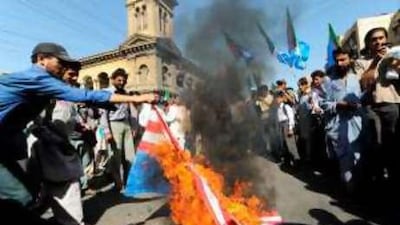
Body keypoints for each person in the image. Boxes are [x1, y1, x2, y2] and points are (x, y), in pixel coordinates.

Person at [0, 42, 156, 217]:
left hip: (11, 140)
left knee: (31, 191)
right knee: (19, 197)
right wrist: (138, 98)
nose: (64, 68)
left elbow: (84, 99)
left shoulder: (43, 82)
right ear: (41, 59)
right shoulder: (37, 78)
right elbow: (84, 95)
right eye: (60, 62)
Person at [321, 47, 364, 193]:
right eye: (337, 60)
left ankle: (361, 191)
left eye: (343, 59)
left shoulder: (356, 77)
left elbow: (362, 97)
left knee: (359, 157)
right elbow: (323, 104)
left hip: (357, 123)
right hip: (338, 126)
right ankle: (350, 193)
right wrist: (339, 104)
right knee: (345, 159)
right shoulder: (328, 80)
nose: (339, 63)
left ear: (350, 59)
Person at [99, 68, 139, 191]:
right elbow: (103, 114)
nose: (122, 82)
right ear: (112, 80)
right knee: (116, 156)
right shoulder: (107, 93)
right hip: (114, 125)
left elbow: (132, 111)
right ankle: (118, 182)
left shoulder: (126, 93)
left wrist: (134, 126)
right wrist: (107, 132)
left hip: (126, 125)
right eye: (119, 80)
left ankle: (128, 182)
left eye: (124, 80)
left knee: (130, 157)